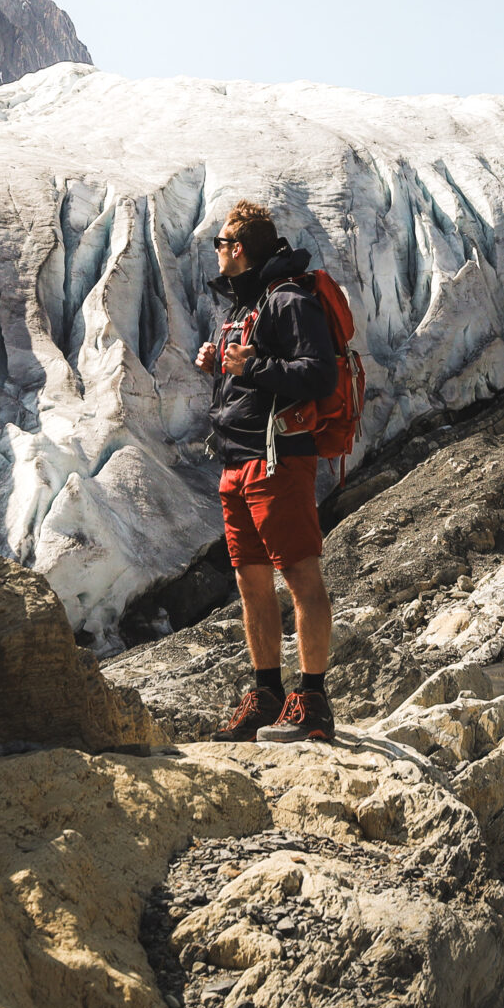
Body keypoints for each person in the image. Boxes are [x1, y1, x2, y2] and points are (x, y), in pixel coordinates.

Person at [196, 199, 338, 743]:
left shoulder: (288, 300)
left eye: (222, 244)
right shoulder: (243, 305)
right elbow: (253, 375)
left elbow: (318, 374)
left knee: (300, 574)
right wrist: (222, 365)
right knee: (250, 579)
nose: (217, 253)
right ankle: (268, 695)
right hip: (238, 458)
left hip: (278, 459)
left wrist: (251, 366)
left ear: (239, 249)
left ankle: (314, 703)